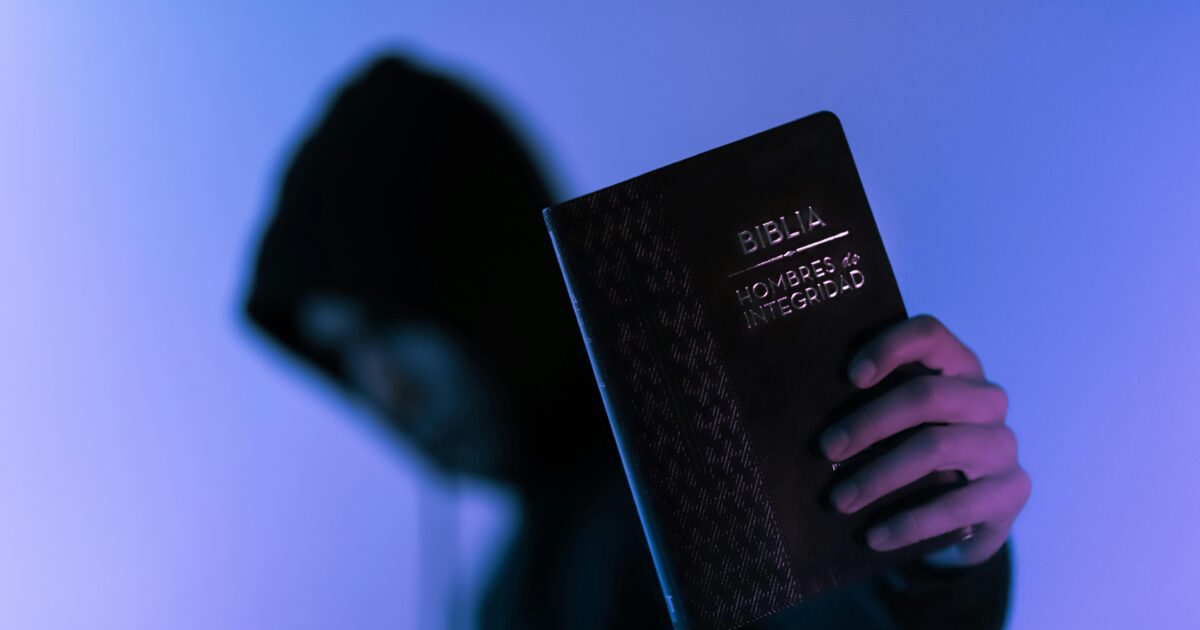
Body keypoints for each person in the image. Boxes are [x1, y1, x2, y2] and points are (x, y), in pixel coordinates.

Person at [243, 55, 1029, 629]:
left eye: (389, 326)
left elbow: (839, 610)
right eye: (343, 358)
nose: (385, 394)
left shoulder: (718, 483)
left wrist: (930, 559)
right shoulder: (505, 595)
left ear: (482, 281)